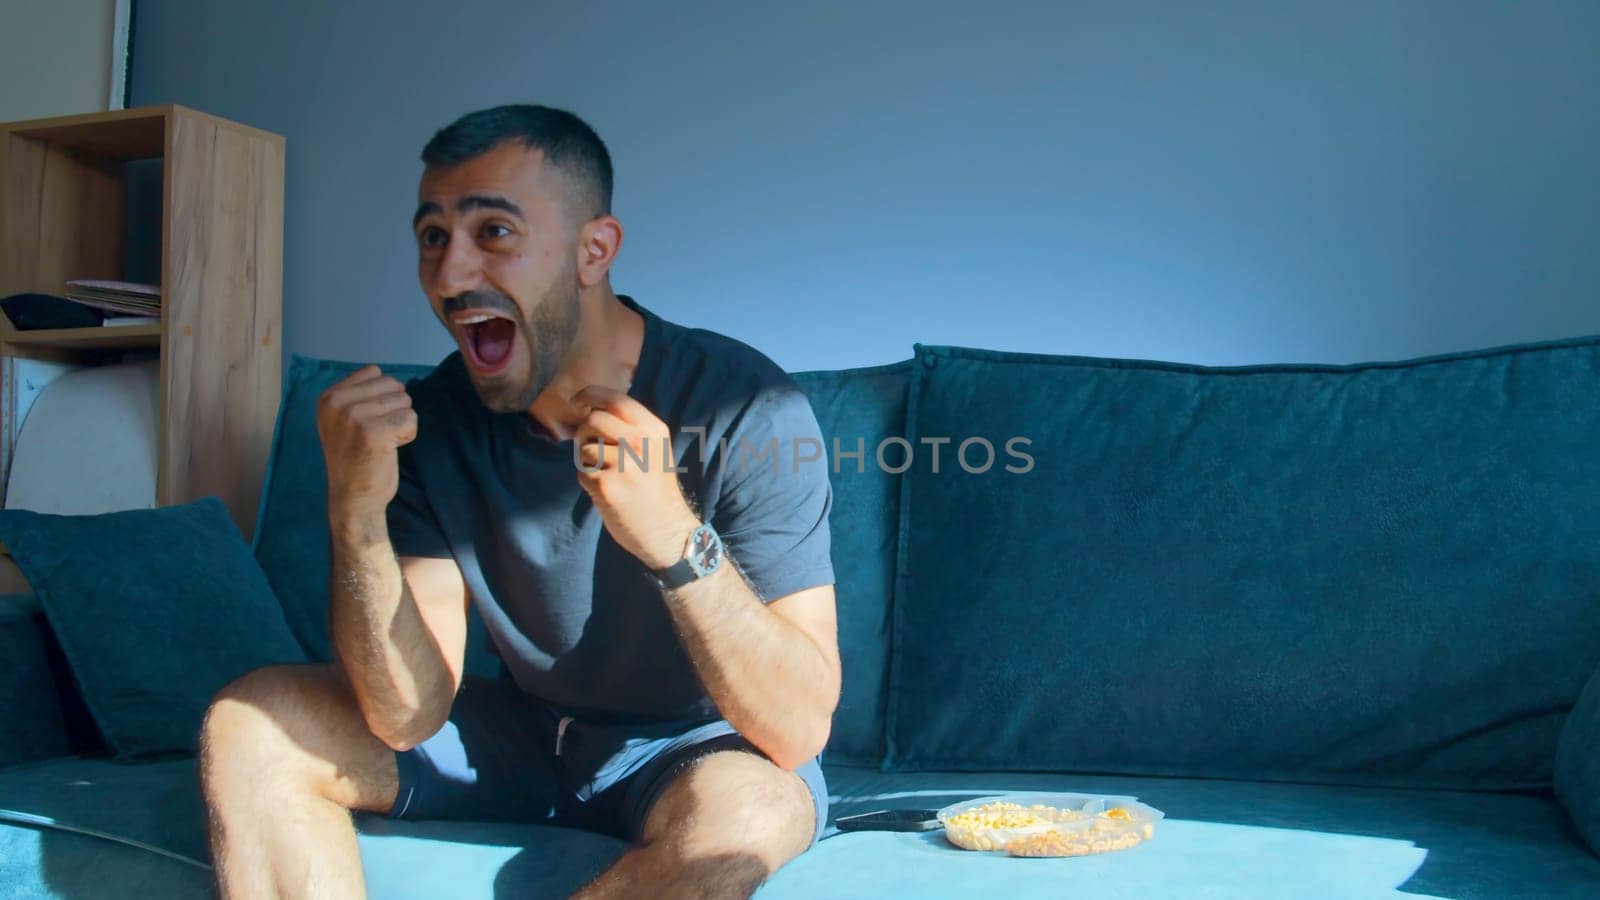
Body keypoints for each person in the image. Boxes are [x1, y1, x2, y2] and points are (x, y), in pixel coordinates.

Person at [198, 104, 841, 899]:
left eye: (493, 233)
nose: (450, 274)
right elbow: (406, 716)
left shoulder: (748, 406)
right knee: (254, 720)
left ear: (593, 250)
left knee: (750, 818)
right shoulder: (431, 424)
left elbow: (797, 725)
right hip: (525, 736)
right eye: (433, 237)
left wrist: (674, 537)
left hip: (694, 748)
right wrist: (356, 514)